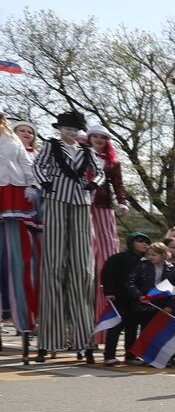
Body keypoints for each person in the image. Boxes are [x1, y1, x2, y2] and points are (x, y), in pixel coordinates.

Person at [32, 111, 101, 360]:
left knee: (83, 271)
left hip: (81, 202)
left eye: (75, 130)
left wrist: (94, 183)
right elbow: (37, 166)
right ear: (60, 129)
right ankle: (48, 341)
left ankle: (85, 341)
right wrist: (45, 183)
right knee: (53, 267)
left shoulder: (86, 151)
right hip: (56, 199)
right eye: (67, 129)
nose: (71, 133)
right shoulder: (51, 146)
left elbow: (99, 172)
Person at [85, 124, 129, 349]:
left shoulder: (112, 162)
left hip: (101, 208)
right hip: (80, 206)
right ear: (89, 137)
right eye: (95, 136)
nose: (99, 140)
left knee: (105, 259)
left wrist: (121, 202)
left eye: (103, 137)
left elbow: (117, 184)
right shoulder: (78, 155)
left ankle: (102, 331)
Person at [0, 113, 41, 347]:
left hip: (14, 194)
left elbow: (25, 163)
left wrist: (31, 184)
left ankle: (25, 321)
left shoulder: (14, 142)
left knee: (20, 260)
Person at [98, 232, 151, 365]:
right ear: (131, 243)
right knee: (116, 326)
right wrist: (109, 292)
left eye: (146, 242)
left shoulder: (147, 261)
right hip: (120, 297)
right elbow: (107, 274)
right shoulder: (118, 258)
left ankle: (131, 355)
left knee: (132, 327)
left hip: (137, 299)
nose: (144, 244)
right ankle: (109, 355)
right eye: (140, 241)